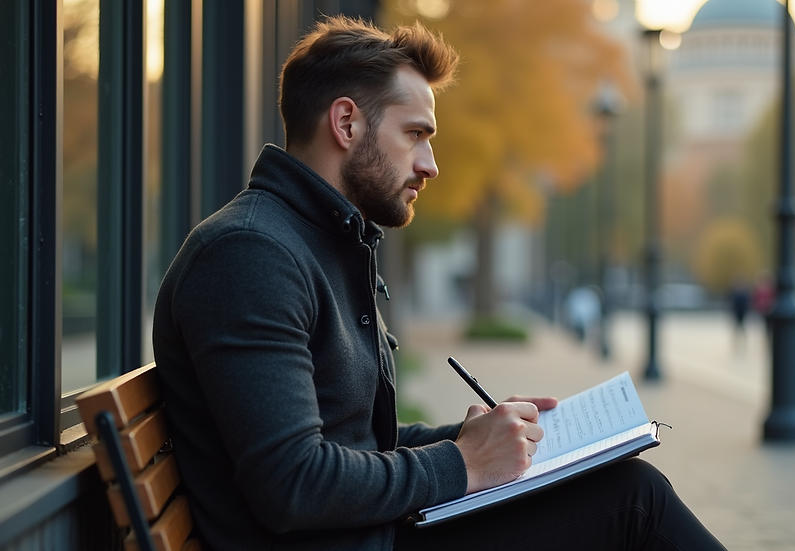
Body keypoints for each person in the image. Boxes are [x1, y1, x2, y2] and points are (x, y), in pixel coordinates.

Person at [153, 16, 727, 551]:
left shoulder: (313, 242)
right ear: (346, 123)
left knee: (624, 487)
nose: (430, 164)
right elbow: (294, 483)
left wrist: (477, 436)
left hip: (370, 533)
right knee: (635, 501)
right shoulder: (251, 254)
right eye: (415, 134)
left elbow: (356, 445)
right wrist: (463, 462)